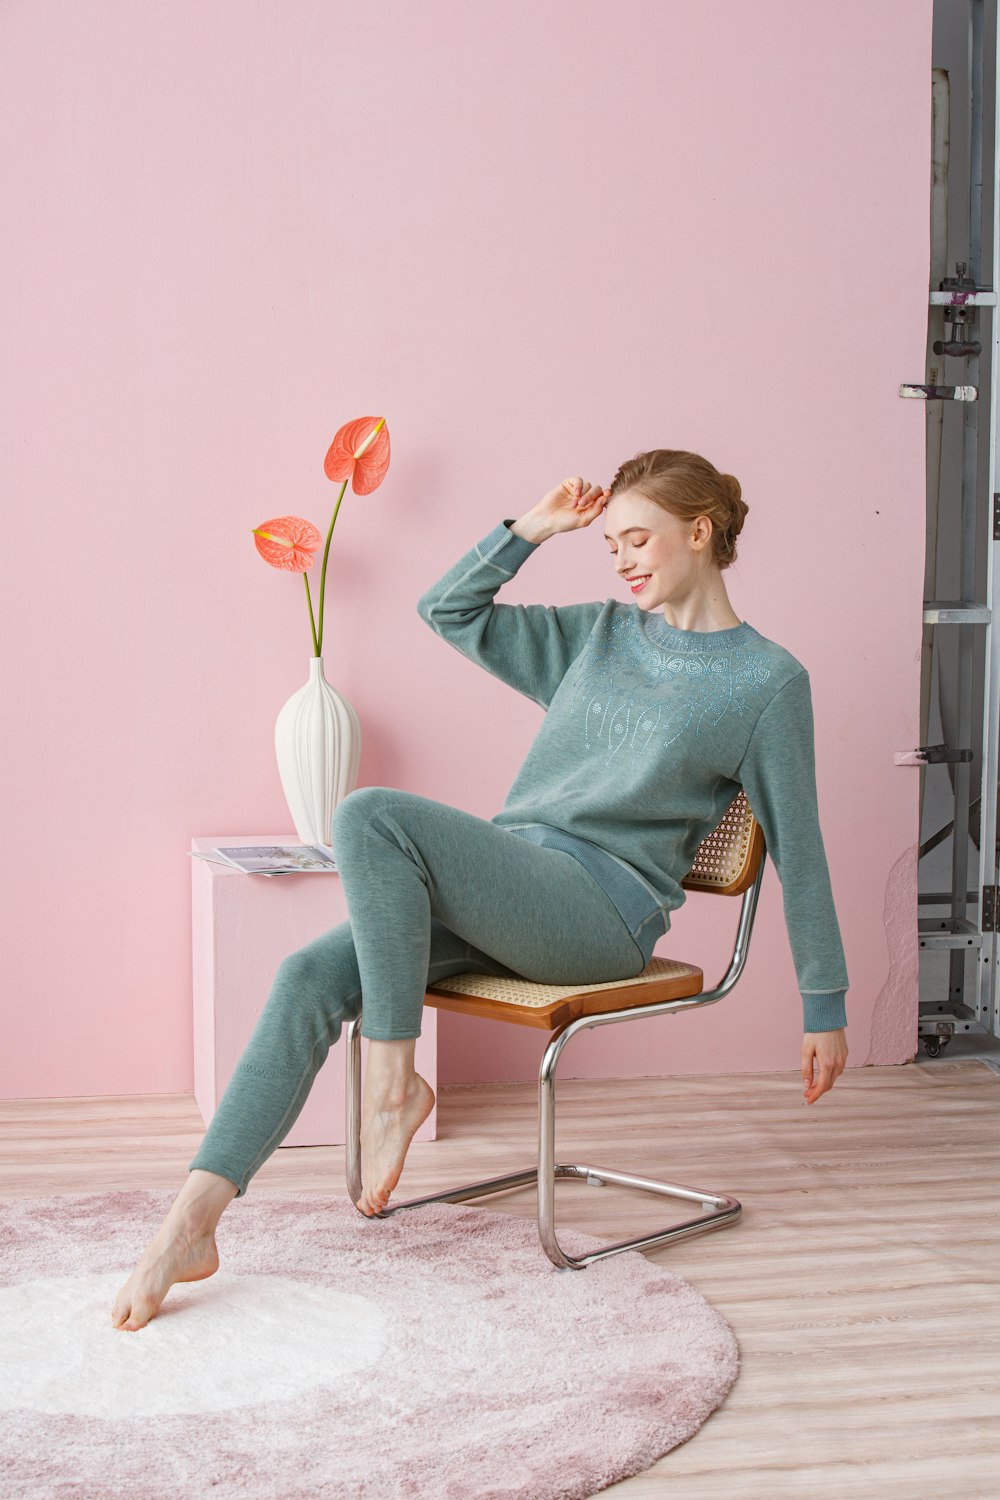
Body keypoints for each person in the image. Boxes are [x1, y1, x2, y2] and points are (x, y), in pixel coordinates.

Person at [111, 449, 849, 1331]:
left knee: (373, 813)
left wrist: (824, 1003)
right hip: (517, 885)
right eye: (610, 544)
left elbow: (799, 847)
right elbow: (447, 610)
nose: (621, 559)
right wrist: (530, 530)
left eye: (638, 538)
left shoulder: (768, 682)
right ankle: (191, 1224)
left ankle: (393, 1085)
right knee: (310, 976)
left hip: (600, 916)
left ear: (700, 532)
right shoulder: (597, 637)